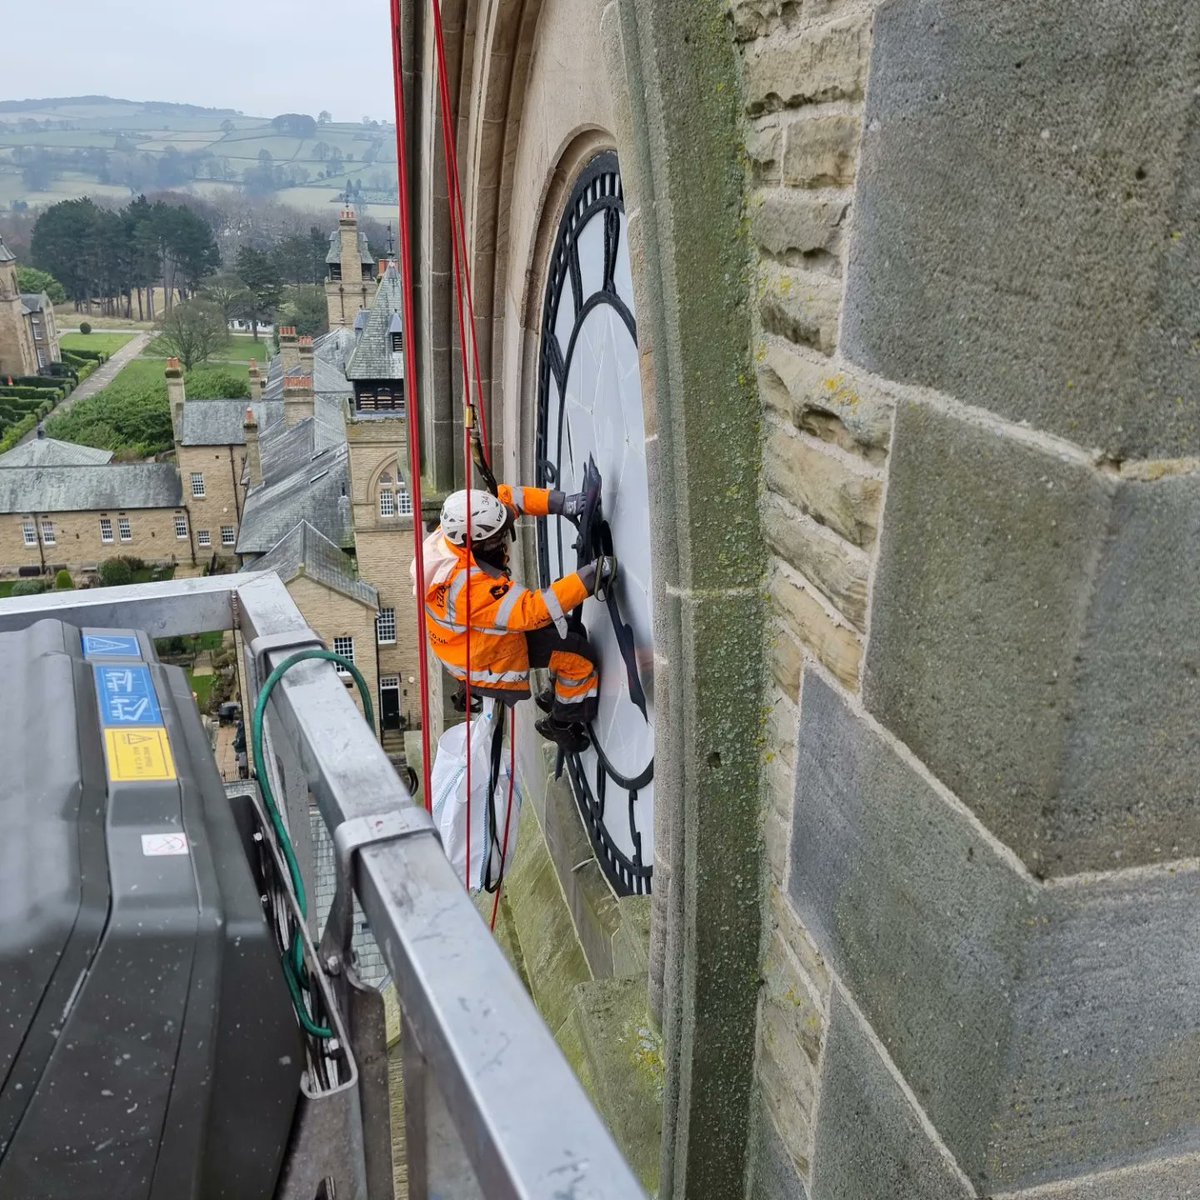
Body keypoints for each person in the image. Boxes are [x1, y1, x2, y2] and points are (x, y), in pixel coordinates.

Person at [415, 484, 617, 752]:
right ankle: (561, 722)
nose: (502, 542)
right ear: (475, 542)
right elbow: (531, 612)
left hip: (468, 637)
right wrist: (587, 580)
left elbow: (510, 499)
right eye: (496, 540)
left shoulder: (463, 525)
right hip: (484, 655)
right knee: (579, 657)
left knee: (571, 629)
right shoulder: (466, 588)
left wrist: (561, 502)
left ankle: (555, 694)